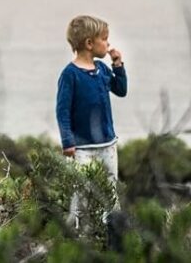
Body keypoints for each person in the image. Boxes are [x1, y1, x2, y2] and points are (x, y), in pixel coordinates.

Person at [56, 15, 128, 225]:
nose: (108, 43)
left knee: (110, 190)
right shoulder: (70, 75)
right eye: (104, 39)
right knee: (80, 191)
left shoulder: (102, 69)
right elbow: (62, 111)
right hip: (81, 148)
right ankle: (76, 231)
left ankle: (112, 231)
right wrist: (67, 142)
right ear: (89, 43)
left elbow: (121, 90)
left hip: (107, 144)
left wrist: (118, 64)